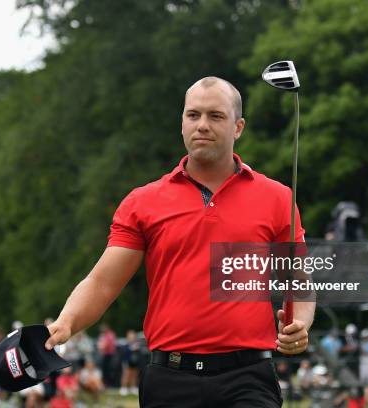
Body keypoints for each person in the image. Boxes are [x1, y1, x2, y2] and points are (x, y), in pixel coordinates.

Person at [44, 76, 315, 407]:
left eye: (215, 116)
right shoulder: (142, 202)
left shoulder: (276, 198)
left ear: (238, 127)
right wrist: (66, 323)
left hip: (248, 377)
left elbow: (298, 281)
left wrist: (300, 322)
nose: (202, 125)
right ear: (182, 123)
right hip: (170, 378)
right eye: (193, 115)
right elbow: (102, 283)